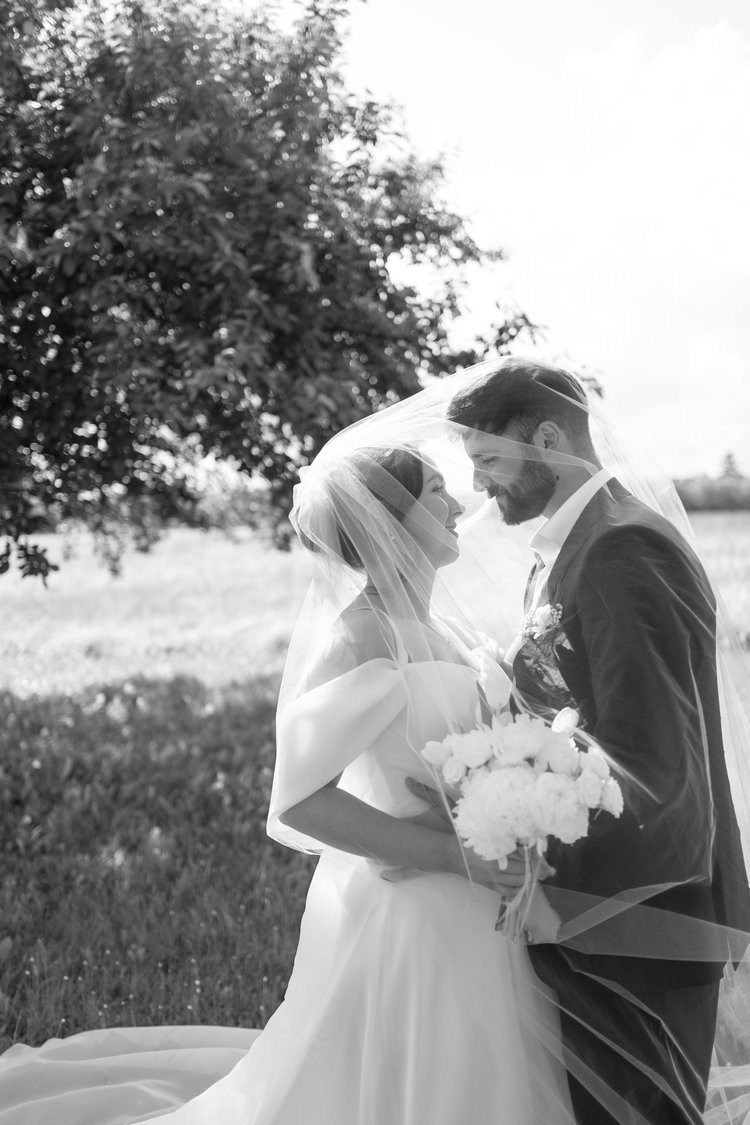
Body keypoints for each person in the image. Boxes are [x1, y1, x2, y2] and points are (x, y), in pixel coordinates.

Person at [0, 434, 573, 1123]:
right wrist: (450, 853)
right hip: (416, 905)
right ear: (391, 520)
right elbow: (301, 801)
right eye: (436, 492)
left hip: (481, 897)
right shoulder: (361, 636)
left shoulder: (441, 625)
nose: (458, 504)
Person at [438, 357, 750, 1124]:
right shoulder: (574, 545)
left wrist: (565, 897)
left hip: (640, 919)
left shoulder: (622, 550)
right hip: (607, 916)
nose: (478, 485)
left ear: (547, 438)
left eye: (488, 461)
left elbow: (657, 767)